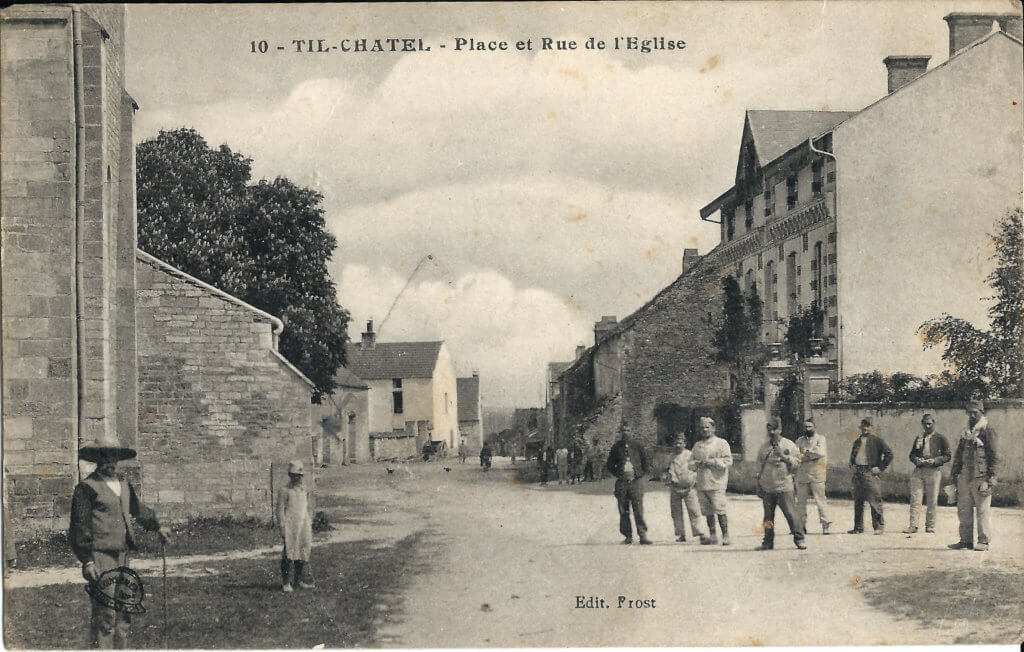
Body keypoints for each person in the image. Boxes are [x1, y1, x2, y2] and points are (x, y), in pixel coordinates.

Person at [69, 436, 171, 649]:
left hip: (123, 555)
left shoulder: (124, 483)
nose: (110, 462)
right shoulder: (86, 488)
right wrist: (87, 561)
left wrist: (157, 526)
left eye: (113, 457)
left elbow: (138, 510)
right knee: (105, 613)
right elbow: (80, 526)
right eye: (104, 457)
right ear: (97, 460)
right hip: (100, 556)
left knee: (124, 610)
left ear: (118, 459)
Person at [948, 400, 999, 551]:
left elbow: (995, 456)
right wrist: (953, 477)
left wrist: (991, 479)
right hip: (964, 477)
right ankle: (965, 541)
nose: (971, 416)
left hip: (981, 477)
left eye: (974, 413)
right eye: (969, 413)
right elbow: (958, 456)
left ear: (981, 413)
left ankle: (983, 541)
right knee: (963, 510)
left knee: (982, 511)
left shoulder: (988, 431)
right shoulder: (966, 433)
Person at [755, 417, 807, 550]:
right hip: (768, 487)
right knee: (768, 517)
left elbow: (797, 463)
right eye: (769, 429)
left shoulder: (789, 444)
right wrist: (758, 484)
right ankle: (767, 542)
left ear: (780, 429)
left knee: (791, 514)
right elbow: (759, 466)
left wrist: (784, 457)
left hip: (784, 487)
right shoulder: (764, 447)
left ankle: (799, 538)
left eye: (774, 429)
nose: (772, 432)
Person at [904, 413, 951, 534]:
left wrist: (935, 461)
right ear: (922, 424)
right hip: (919, 470)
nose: (927, 426)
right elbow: (912, 454)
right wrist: (916, 460)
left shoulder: (941, 438)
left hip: (933, 471)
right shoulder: (919, 437)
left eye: (930, 423)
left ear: (934, 423)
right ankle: (913, 526)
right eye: (925, 424)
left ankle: (930, 526)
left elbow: (947, 456)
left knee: (932, 499)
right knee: (915, 498)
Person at [690, 416, 733, 545]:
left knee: (720, 509)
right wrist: (696, 463)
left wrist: (712, 462)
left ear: (713, 428)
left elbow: (728, 461)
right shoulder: (697, 445)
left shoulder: (721, 443)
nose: (705, 430)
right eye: (702, 427)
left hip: (717, 483)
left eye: (707, 427)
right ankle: (713, 535)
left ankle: (725, 535)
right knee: (707, 511)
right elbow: (690, 463)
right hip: (702, 483)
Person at [605, 425, 651, 544]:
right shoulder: (616, 447)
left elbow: (646, 462)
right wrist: (618, 474)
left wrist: (640, 474)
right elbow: (609, 464)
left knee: (638, 509)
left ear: (632, 431)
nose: (626, 432)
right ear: (620, 432)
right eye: (623, 430)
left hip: (636, 482)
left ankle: (642, 535)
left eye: (628, 430)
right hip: (622, 482)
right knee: (623, 509)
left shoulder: (638, 446)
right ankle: (628, 536)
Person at [847, 417, 893, 535]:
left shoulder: (877, 440)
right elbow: (853, 455)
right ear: (860, 427)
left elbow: (889, 455)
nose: (865, 428)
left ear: (872, 427)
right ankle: (858, 527)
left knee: (874, 500)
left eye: (868, 426)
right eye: (863, 426)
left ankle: (878, 527)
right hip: (858, 472)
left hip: (870, 472)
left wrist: (880, 468)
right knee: (858, 500)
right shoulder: (857, 441)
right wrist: (852, 464)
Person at [276, 460, 314, 592]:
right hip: (290, 525)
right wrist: (282, 527)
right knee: (288, 552)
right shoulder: (284, 490)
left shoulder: (305, 490)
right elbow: (280, 511)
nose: (297, 478)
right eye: (294, 475)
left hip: (303, 524)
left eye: (299, 475)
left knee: (302, 551)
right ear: (290, 475)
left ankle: (298, 581)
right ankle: (286, 582)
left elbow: (309, 507)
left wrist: (309, 521)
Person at [795, 417, 832, 535]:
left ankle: (825, 525)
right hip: (802, 475)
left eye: (810, 426)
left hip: (817, 474)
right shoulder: (799, 440)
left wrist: (805, 454)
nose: (807, 429)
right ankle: (801, 526)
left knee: (820, 501)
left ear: (814, 427)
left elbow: (820, 453)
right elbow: (796, 455)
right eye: (806, 427)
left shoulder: (821, 439)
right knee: (800, 502)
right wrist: (809, 453)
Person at [665, 438, 705, 543]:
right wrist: (667, 480)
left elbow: (697, 469)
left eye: (680, 443)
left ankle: (700, 533)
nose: (678, 445)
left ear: (685, 443)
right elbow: (665, 471)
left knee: (694, 510)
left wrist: (695, 482)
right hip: (675, 488)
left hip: (689, 488)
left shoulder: (690, 455)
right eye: (676, 443)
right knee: (676, 512)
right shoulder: (671, 456)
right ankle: (681, 534)